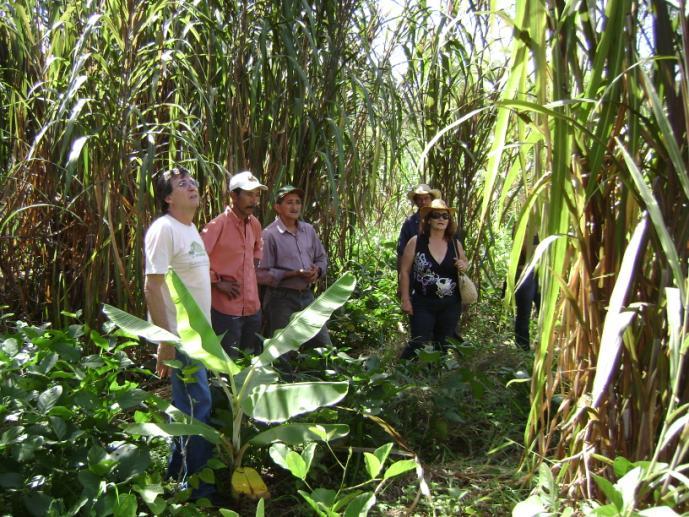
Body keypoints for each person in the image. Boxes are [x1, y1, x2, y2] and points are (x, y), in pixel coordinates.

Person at [143, 167, 215, 500]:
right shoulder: (164, 229)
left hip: (198, 338)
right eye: (181, 184)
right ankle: (197, 491)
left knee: (190, 407)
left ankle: (176, 480)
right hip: (180, 339)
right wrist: (164, 340)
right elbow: (151, 286)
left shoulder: (190, 230)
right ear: (167, 197)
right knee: (197, 408)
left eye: (193, 181)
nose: (192, 186)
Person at [201, 171, 267, 356]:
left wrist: (252, 266)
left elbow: (257, 247)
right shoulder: (216, 226)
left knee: (248, 359)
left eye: (256, 195)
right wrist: (216, 281)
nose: (253, 200)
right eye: (248, 194)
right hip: (225, 308)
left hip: (253, 306)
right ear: (233, 196)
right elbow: (195, 261)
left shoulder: (254, 223)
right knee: (226, 363)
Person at [258, 185, 330, 346]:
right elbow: (260, 274)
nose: (295, 206)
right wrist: (292, 274)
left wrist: (317, 271)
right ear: (277, 207)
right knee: (282, 348)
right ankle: (282, 372)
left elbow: (321, 258)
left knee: (323, 344)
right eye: (289, 202)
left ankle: (329, 371)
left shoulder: (308, 230)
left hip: (306, 295)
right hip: (280, 298)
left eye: (297, 202)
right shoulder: (269, 235)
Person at [399, 199, 468, 359]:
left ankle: (436, 377)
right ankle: (401, 374)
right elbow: (404, 271)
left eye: (445, 216)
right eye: (436, 216)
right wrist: (405, 298)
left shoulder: (454, 243)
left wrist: (463, 265)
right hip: (423, 303)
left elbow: (465, 262)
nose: (441, 219)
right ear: (428, 219)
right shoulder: (416, 242)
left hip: (450, 304)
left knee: (442, 343)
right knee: (418, 342)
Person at [396, 184, 441, 274]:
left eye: (426, 198)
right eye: (420, 199)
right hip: (415, 275)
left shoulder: (441, 220)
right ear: (415, 201)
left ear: (431, 199)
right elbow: (401, 253)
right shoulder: (409, 224)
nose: (423, 202)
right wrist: (401, 279)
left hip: (438, 275)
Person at [514, 234, 540, 350]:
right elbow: (526, 249)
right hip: (524, 272)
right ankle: (522, 348)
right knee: (524, 313)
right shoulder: (525, 224)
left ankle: (543, 347)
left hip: (543, 272)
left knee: (545, 310)